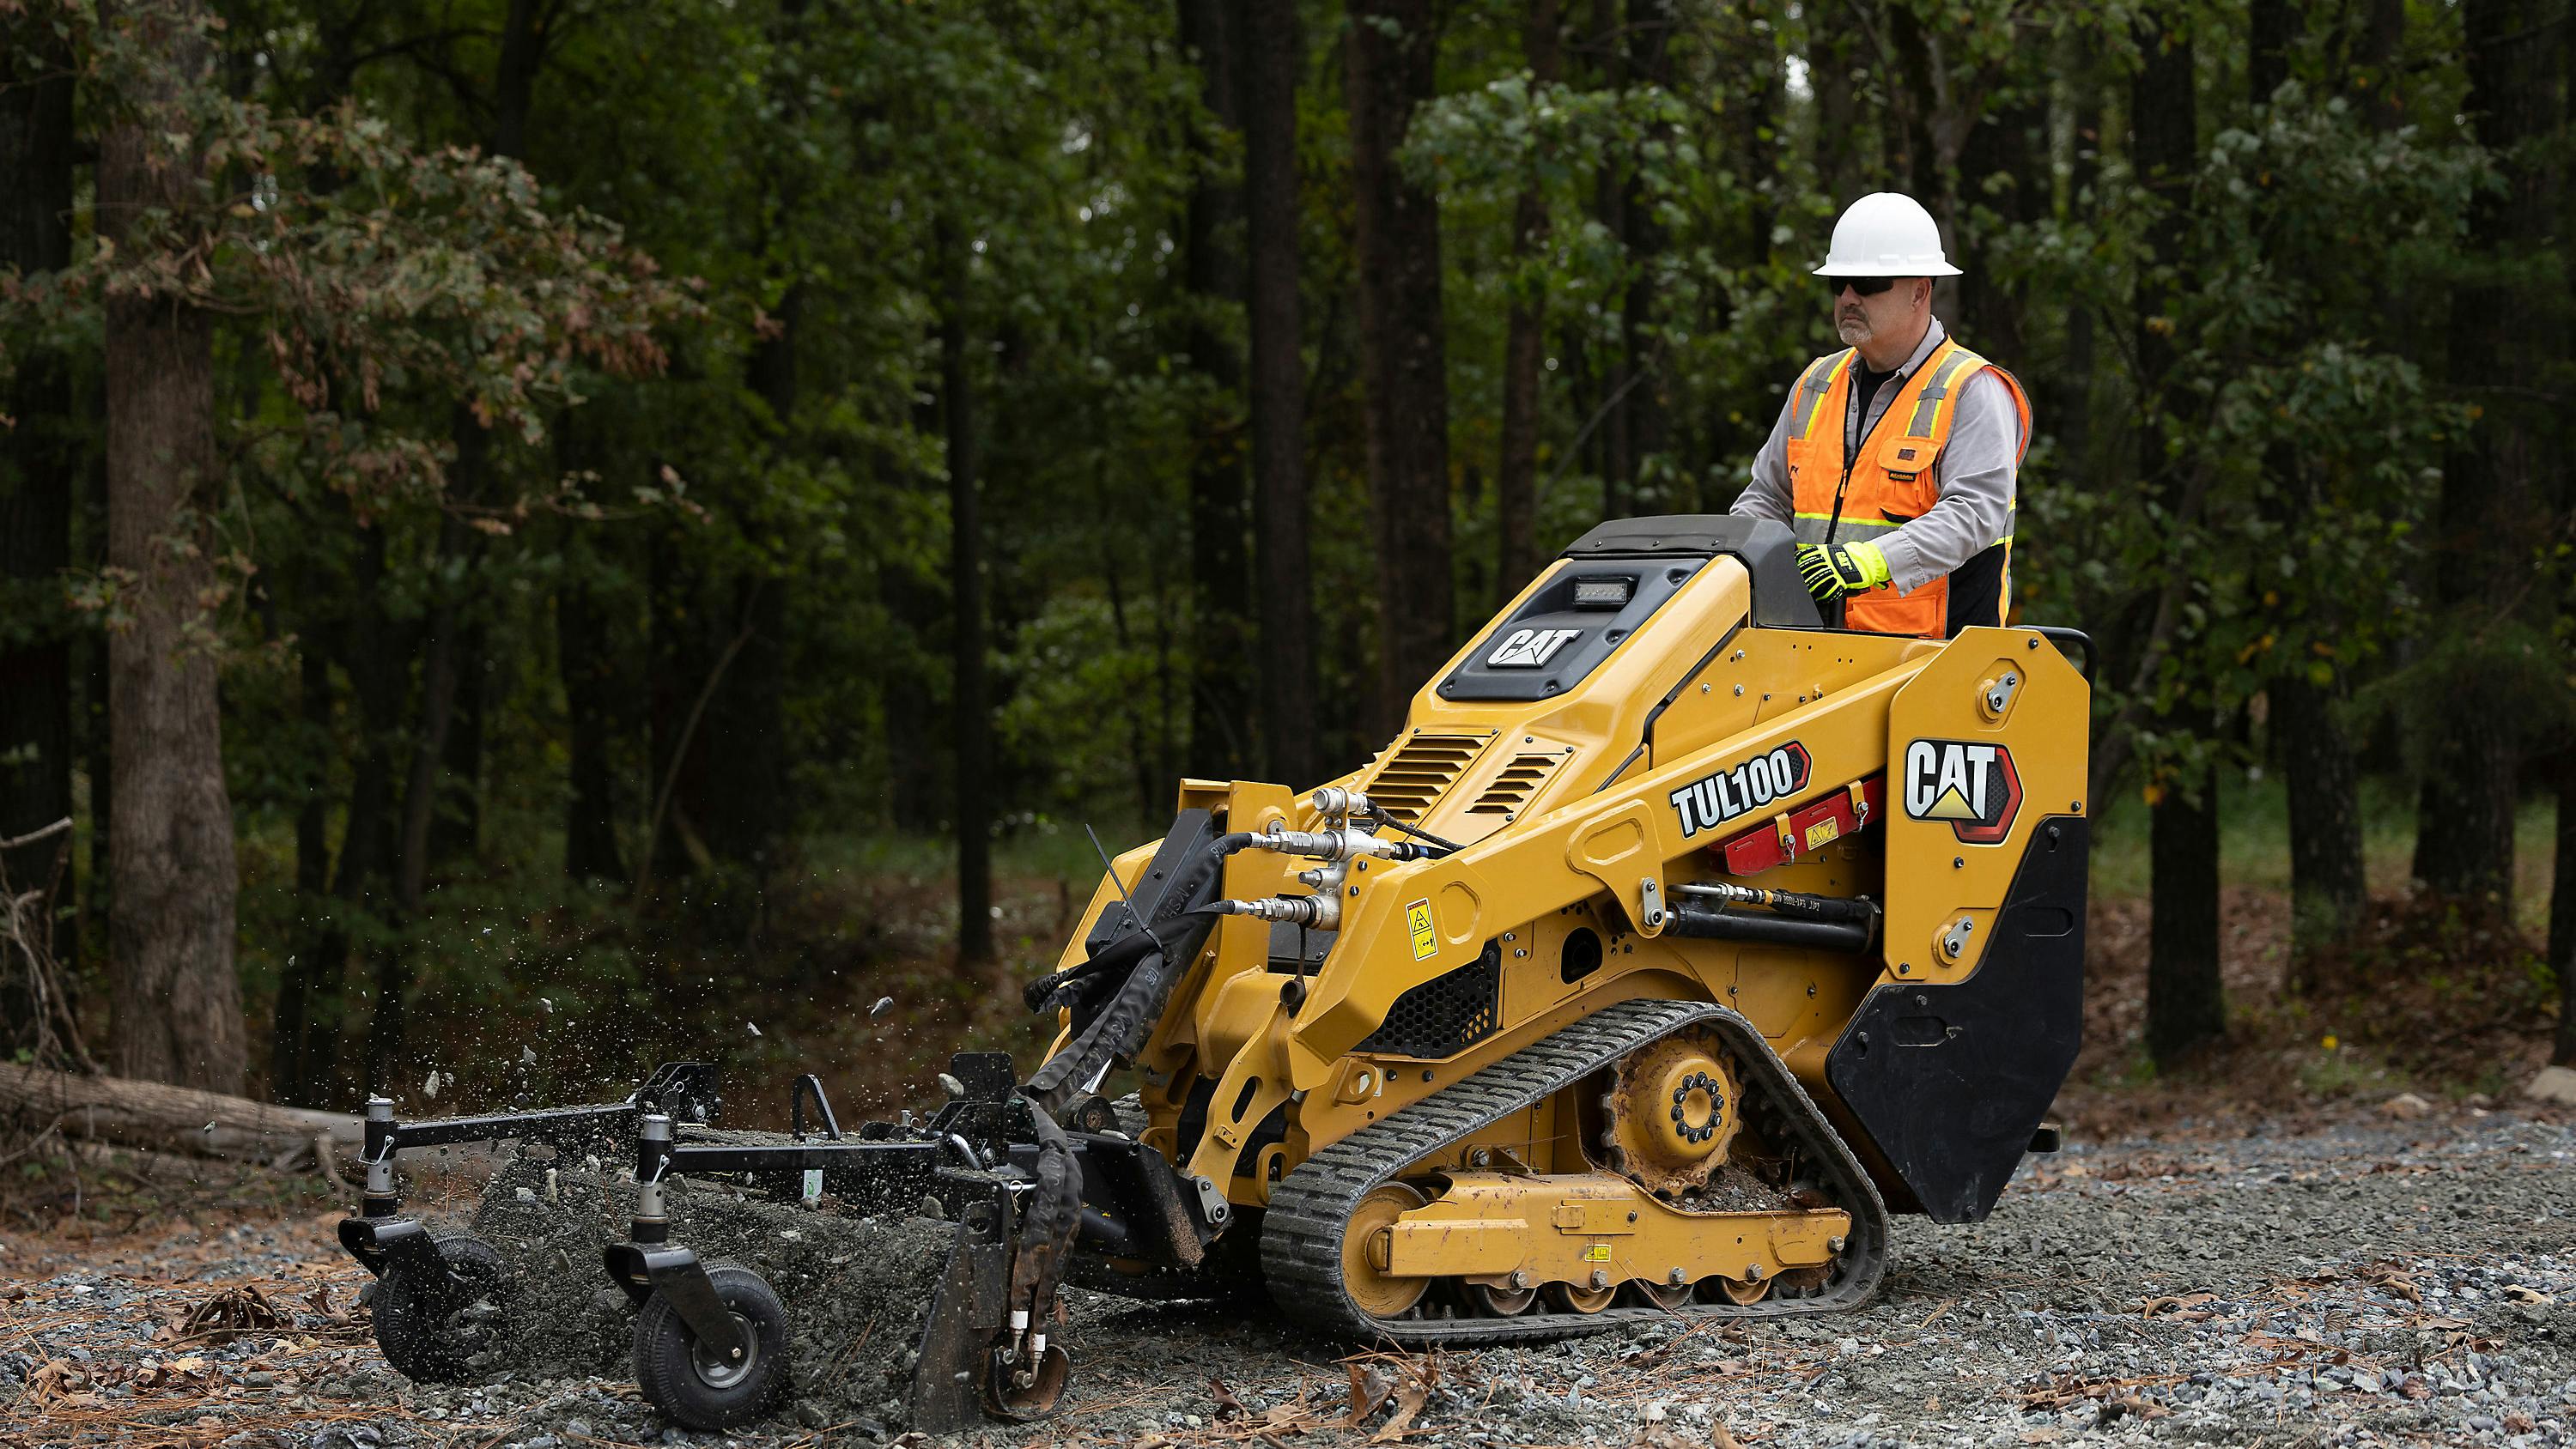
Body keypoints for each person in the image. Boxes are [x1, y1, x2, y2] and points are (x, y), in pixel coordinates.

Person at [1730, 192, 2032, 639]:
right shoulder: (1815, 384)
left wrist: (1874, 560)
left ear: (1920, 291)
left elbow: (1974, 514)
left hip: (1932, 663)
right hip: (1810, 652)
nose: (1849, 296)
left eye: (1868, 283)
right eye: (1839, 283)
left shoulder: (1972, 389)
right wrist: (1738, 562)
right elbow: (1766, 499)